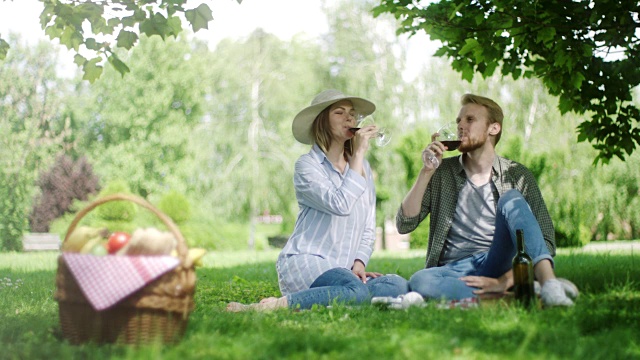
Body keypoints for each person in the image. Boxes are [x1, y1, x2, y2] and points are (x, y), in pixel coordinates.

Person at [227, 89, 409, 312]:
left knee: (396, 285)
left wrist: (359, 264)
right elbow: (340, 204)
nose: (349, 118)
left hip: (343, 269)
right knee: (358, 292)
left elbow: (368, 226)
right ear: (321, 121)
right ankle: (272, 306)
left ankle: (335, 294)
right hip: (307, 261)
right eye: (339, 113)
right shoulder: (307, 167)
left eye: (352, 113)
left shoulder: (364, 169)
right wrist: (359, 153)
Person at [397, 93, 578, 307]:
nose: (460, 126)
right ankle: (517, 292)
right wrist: (426, 172)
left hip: (497, 260)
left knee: (511, 198)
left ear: (494, 128)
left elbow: (545, 241)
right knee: (421, 280)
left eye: (470, 120)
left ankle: (549, 286)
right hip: (454, 269)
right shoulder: (441, 172)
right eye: (459, 121)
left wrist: (504, 280)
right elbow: (404, 224)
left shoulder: (517, 175)